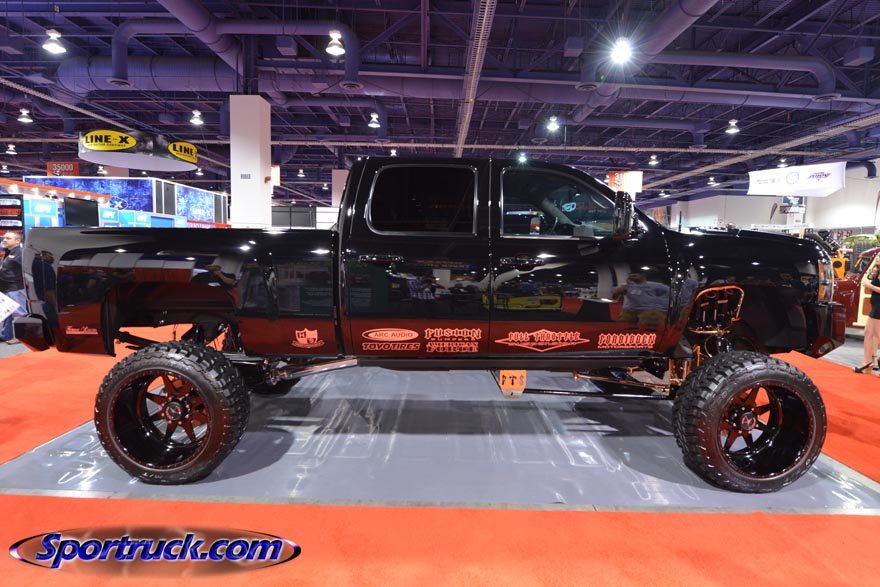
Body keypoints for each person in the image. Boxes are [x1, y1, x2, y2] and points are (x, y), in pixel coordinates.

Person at [0, 231, 26, 344]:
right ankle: (6, 335)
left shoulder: (20, 253)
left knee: (19, 313)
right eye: (4, 238)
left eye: (8, 238)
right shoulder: (8, 252)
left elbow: (26, 270)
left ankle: (21, 336)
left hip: (16, 288)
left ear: (17, 241)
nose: (4, 240)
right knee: (8, 312)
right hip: (7, 288)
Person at [855, 264, 880, 373]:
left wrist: (869, 285)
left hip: (878, 308)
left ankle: (868, 361)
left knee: (876, 334)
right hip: (876, 307)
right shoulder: (877, 270)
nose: (877, 257)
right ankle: (867, 361)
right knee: (868, 333)